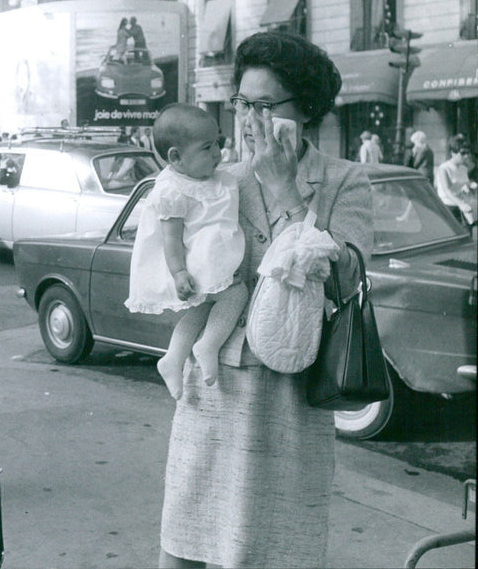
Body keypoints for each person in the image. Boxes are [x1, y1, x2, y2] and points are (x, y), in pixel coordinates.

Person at [158, 31, 372, 568]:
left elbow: (344, 283)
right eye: (241, 104)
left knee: (273, 550)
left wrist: (284, 193)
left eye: (263, 105)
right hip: (212, 387)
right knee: (186, 543)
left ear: (305, 111)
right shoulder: (219, 176)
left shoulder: (346, 181)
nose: (247, 119)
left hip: (291, 400)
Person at [126, 104, 248, 398]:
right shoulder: (171, 189)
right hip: (195, 262)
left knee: (203, 308)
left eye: (218, 142)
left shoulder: (210, 177)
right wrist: (179, 273)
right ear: (176, 158)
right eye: (207, 148)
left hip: (213, 258)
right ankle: (209, 344)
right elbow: (170, 239)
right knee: (236, 294)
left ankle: (173, 358)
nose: (218, 153)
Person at [436, 134, 477, 225]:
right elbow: (447, 191)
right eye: (462, 153)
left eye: (467, 153)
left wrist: (471, 185)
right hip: (449, 207)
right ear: (453, 152)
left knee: (468, 232)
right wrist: (460, 204)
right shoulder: (444, 168)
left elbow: (464, 183)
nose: (466, 156)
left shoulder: (463, 168)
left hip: (463, 207)